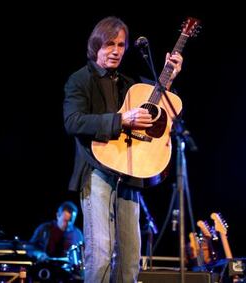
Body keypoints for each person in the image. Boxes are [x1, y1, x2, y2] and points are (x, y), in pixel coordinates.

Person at [63, 16, 183, 282]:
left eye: (120, 44)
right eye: (109, 44)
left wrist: (169, 77)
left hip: (129, 172)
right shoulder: (80, 80)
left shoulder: (130, 83)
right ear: (96, 46)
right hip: (96, 171)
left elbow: (156, 107)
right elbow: (73, 122)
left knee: (130, 258)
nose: (116, 50)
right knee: (101, 252)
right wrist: (121, 119)